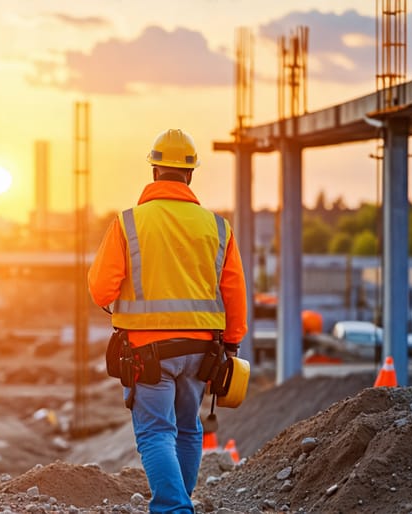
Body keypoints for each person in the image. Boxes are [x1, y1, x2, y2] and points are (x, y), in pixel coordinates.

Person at [87, 128, 248, 513]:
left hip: (148, 351)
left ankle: (174, 509)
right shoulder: (218, 227)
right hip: (202, 351)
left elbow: (100, 289)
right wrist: (231, 343)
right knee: (189, 429)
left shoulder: (129, 223)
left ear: (155, 171)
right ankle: (180, 501)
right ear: (190, 174)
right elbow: (234, 292)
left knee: (157, 432)